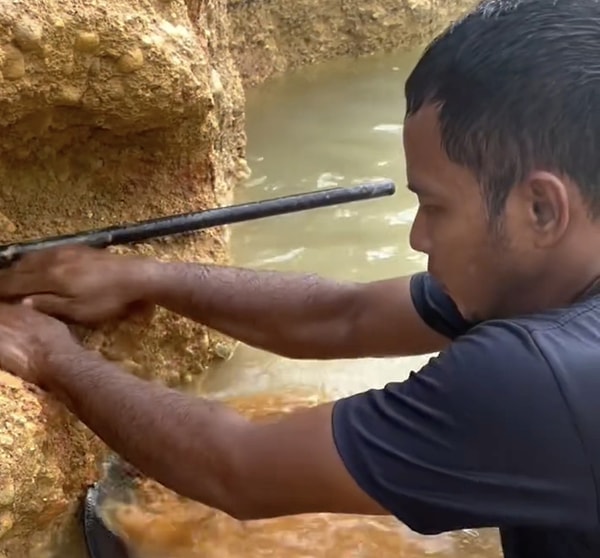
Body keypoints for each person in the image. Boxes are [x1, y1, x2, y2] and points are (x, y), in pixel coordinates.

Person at [1, 0, 600, 556]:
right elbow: (343, 315)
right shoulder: (541, 282)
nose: (418, 237)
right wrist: (141, 277)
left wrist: (49, 354)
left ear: (542, 209)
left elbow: (238, 468)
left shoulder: (542, 377)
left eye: (436, 206)